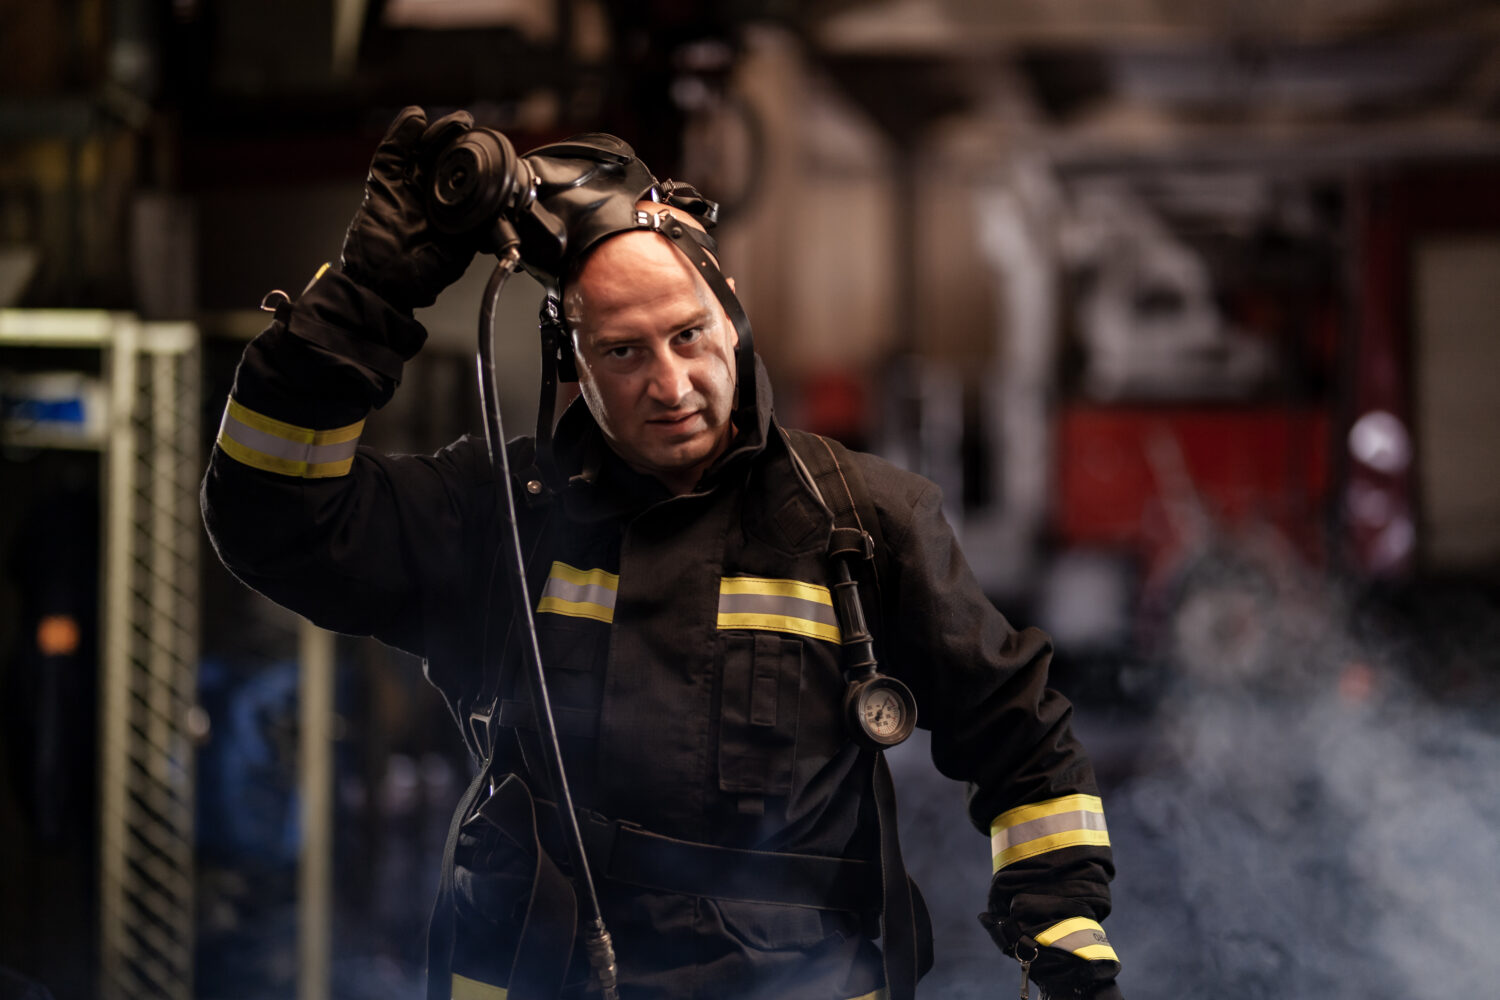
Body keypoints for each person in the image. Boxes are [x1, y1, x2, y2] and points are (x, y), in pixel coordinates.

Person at [201, 106, 1124, 1000]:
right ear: (575, 363)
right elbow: (273, 518)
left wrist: (1061, 927)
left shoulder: (860, 522)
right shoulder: (499, 516)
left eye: (688, 335)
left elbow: (1021, 732)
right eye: (624, 352)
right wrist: (366, 298)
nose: (671, 385)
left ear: (733, 319)